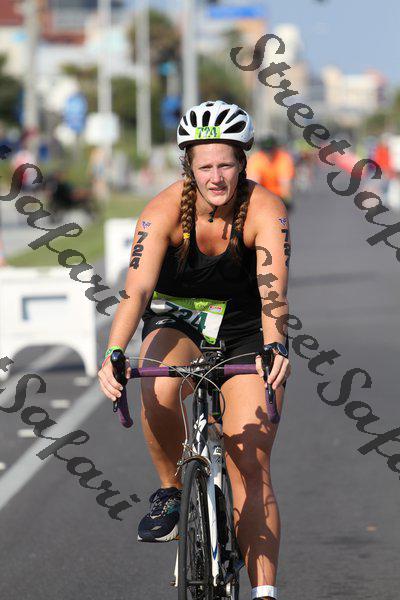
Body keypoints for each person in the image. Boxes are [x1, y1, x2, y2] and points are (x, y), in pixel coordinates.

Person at [98, 100, 291, 600]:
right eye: (205, 166)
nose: (216, 177)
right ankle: (170, 490)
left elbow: (272, 293)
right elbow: (137, 290)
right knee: (158, 387)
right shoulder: (161, 211)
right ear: (189, 166)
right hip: (178, 321)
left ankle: (265, 592)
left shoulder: (265, 209)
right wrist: (115, 351)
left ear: (242, 162)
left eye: (226, 164)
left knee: (250, 467)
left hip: (246, 331)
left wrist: (275, 345)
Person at [247, 135, 295, 210]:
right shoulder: (256, 159)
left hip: (279, 197)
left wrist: (282, 201)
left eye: (271, 149)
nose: (268, 153)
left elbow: (285, 184)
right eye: (266, 150)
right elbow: (253, 182)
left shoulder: (283, 158)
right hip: (262, 195)